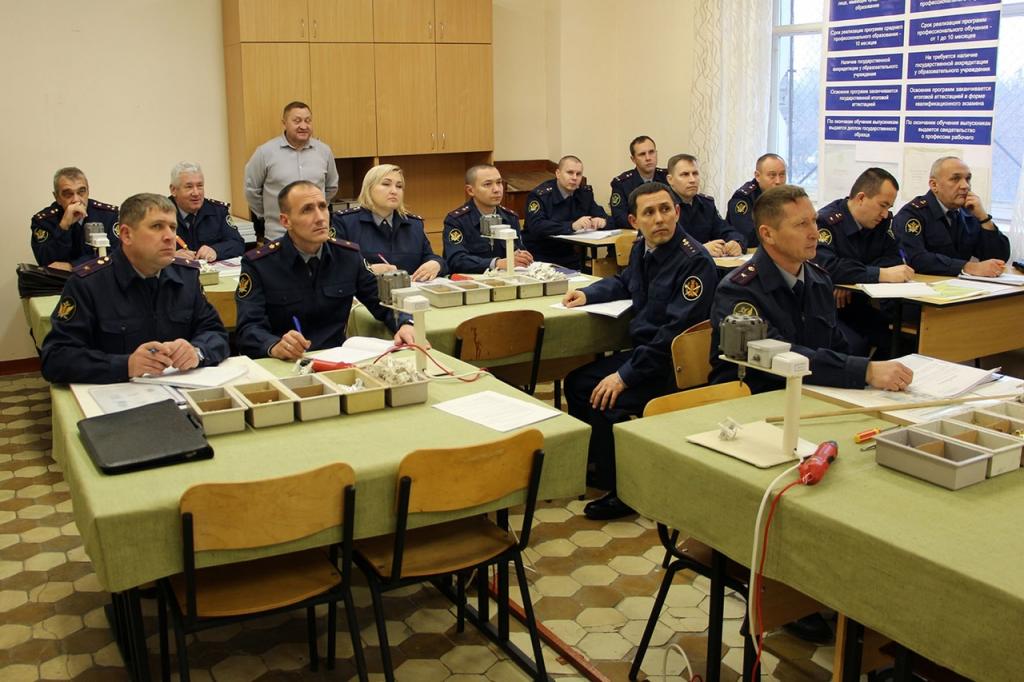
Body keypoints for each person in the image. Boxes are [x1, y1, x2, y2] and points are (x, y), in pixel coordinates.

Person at [564, 182, 717, 520]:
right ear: (634, 221)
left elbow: (673, 336)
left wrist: (624, 376)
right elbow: (625, 282)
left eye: (665, 209)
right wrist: (589, 294)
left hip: (671, 365)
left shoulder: (694, 262)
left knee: (606, 399)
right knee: (576, 383)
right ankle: (598, 466)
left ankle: (625, 491)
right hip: (646, 354)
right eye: (649, 212)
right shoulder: (642, 247)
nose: (659, 218)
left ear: (677, 212)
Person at [710, 184, 913, 395]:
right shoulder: (738, 291)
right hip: (755, 396)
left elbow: (837, 346)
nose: (815, 233)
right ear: (768, 234)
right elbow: (775, 358)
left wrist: (865, 373)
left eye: (814, 221)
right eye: (801, 224)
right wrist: (865, 371)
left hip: (811, 391)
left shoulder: (819, 280)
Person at [40, 193, 229, 384]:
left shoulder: (186, 276)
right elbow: (55, 358)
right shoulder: (89, 284)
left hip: (181, 388)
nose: (169, 237)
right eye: (157, 226)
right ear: (126, 235)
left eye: (173, 227)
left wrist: (197, 352)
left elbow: (216, 333)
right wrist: (126, 365)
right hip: (116, 393)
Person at [235, 181, 415, 359]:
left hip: (336, 359)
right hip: (284, 362)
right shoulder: (260, 264)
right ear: (285, 221)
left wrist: (405, 323)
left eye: (322, 207)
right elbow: (248, 328)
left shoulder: (347, 256)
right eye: (307, 210)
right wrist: (274, 345)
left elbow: (382, 302)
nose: (320, 217)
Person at [814, 167, 913, 356]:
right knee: (854, 345)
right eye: (882, 205)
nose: (885, 214)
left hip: (858, 305)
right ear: (861, 198)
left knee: (900, 342)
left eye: (889, 208)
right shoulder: (826, 222)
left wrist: (854, 278)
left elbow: (894, 259)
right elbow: (828, 267)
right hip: (826, 308)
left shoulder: (881, 223)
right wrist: (879, 274)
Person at [893, 156, 1009, 276]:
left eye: (968, 179)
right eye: (955, 179)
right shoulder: (913, 214)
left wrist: (984, 218)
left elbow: (998, 259)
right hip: (926, 284)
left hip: (960, 284)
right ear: (934, 185)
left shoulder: (968, 212)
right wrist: (968, 267)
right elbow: (916, 259)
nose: (965, 186)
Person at [331, 164, 446, 282]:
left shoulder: (414, 224)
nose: (394, 191)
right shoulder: (345, 222)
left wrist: (436, 264)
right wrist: (367, 270)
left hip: (409, 292)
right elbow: (334, 267)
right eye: (386, 184)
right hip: (365, 292)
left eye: (399, 186)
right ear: (368, 188)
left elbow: (430, 257)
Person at [244, 101, 339, 241]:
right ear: (284, 123)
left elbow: (331, 187)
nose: (303, 126)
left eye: (308, 120)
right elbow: (251, 191)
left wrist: (315, 210)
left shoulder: (324, 151)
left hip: (314, 236)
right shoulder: (265, 153)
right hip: (278, 235)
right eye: (297, 121)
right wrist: (269, 215)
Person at [443, 164, 533, 273]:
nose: (496, 189)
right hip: (471, 280)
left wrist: (521, 257)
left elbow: (517, 250)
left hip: (506, 277)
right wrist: (496, 263)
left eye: (499, 183)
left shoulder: (511, 217)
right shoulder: (457, 220)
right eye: (487, 184)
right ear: (470, 190)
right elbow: (456, 260)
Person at [523, 155, 609, 269]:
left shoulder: (584, 194)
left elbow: (608, 218)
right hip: (539, 256)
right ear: (558, 174)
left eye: (578, 174)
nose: (574, 178)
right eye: (570, 173)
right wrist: (572, 226)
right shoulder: (540, 195)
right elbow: (537, 226)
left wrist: (603, 222)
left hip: (569, 255)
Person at [31, 167, 120, 270]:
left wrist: (74, 266)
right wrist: (63, 227)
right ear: (57, 197)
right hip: (59, 280)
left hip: (98, 278)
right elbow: (46, 262)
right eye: (68, 194)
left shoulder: (108, 216)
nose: (76, 199)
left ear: (88, 191)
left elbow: (116, 255)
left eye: (81, 192)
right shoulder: (44, 221)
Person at [665, 154, 745, 256]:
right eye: (685, 174)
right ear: (670, 179)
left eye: (695, 173)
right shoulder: (663, 208)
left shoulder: (706, 205)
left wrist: (736, 242)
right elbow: (665, 248)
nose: (692, 180)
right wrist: (700, 249)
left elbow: (725, 230)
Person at [168, 162, 244, 262]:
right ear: (173, 190)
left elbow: (237, 243)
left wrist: (216, 251)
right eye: (189, 187)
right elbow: (148, 251)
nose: (196, 193)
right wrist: (170, 256)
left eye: (200, 186)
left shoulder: (218, 211)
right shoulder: (160, 213)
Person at [727, 153, 787, 248]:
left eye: (782, 174)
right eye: (772, 175)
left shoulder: (787, 196)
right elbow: (749, 237)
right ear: (757, 176)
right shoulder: (743, 198)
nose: (778, 181)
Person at [608, 136, 668, 228]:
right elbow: (619, 218)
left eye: (651, 152)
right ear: (633, 159)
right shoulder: (622, 183)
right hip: (637, 232)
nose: (648, 158)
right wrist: (649, 225)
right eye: (642, 154)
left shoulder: (667, 177)